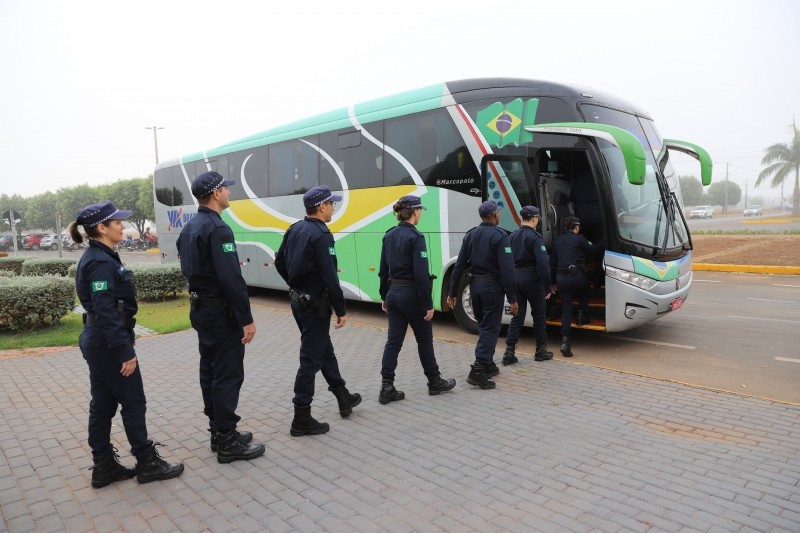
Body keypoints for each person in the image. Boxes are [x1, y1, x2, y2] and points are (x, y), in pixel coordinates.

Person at [71, 201, 184, 488]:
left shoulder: (102, 256)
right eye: (117, 222)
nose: (122, 226)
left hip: (100, 341)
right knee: (133, 400)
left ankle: (104, 466)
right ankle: (147, 462)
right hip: (107, 344)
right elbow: (106, 310)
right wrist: (124, 350)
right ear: (101, 227)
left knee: (104, 403)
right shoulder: (99, 261)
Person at [177, 171, 265, 464]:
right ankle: (227, 441)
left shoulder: (190, 227)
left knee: (210, 371)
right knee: (227, 373)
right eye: (226, 188)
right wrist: (246, 318)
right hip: (220, 312)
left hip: (201, 309)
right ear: (216, 193)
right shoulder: (218, 228)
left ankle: (218, 432)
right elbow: (231, 278)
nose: (229, 192)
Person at [274, 185, 362, 436]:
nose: (333, 207)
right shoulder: (321, 234)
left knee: (324, 350)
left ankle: (343, 396)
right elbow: (330, 276)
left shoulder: (294, 229)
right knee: (310, 359)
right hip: (315, 306)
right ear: (321, 206)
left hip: (299, 302)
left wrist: (295, 284)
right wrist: (341, 309)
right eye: (331, 203)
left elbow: (280, 262)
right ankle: (301, 416)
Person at [377, 195, 456, 404]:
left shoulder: (389, 236)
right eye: (420, 210)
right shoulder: (416, 237)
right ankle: (434, 381)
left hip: (394, 294)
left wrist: (384, 295)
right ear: (415, 211)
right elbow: (421, 275)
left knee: (393, 341)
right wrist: (428, 304)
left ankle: (386, 387)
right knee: (424, 340)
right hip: (411, 296)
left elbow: (383, 270)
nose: (420, 213)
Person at [447, 201, 518, 389]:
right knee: (490, 327)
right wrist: (512, 299)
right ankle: (478, 369)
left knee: (484, 325)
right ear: (495, 215)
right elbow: (508, 271)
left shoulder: (470, 235)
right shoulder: (501, 236)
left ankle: (488, 364)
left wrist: (452, 292)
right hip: (492, 288)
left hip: (474, 287)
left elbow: (459, 265)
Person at [502, 206, 553, 365]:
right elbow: (543, 264)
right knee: (539, 315)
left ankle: (509, 352)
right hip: (532, 279)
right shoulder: (535, 237)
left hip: (515, 278)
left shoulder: (512, 236)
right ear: (534, 218)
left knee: (517, 316)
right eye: (538, 218)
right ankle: (540, 351)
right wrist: (547, 286)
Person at [551, 215, 601, 357]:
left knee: (566, 311)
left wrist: (551, 282)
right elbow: (594, 250)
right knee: (585, 289)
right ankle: (581, 315)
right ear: (577, 227)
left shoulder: (557, 241)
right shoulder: (580, 239)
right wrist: (604, 239)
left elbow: (552, 263)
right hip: (577, 277)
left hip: (561, 279)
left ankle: (565, 342)